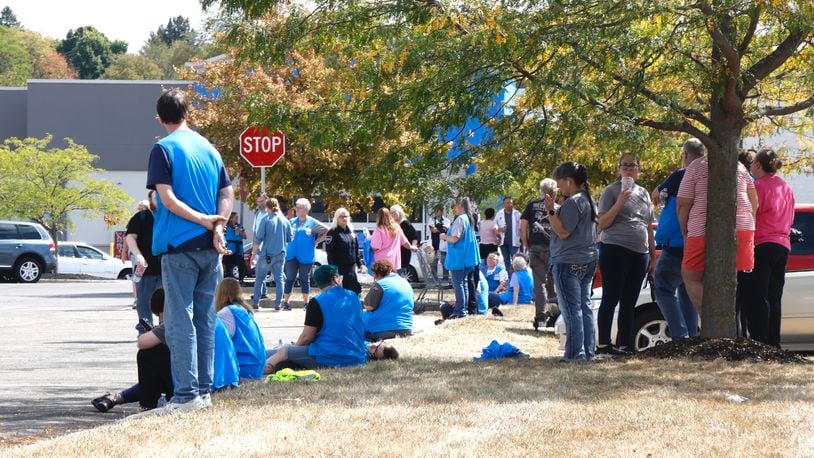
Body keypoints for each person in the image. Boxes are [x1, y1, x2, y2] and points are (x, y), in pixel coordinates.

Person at [146, 88, 233, 412]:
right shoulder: (209, 148)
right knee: (205, 319)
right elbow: (227, 191)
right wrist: (217, 225)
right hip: (210, 248)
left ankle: (185, 396)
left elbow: (165, 199)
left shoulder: (162, 149)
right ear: (188, 113)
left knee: (180, 319)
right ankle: (205, 392)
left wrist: (202, 220)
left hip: (178, 245)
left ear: (159, 117)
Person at [263, 265, 397, 374]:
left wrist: (294, 347)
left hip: (330, 354)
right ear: (335, 279)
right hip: (355, 354)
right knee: (279, 351)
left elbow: (306, 338)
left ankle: (259, 370)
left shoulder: (317, 302)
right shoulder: (352, 296)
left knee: (284, 351)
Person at [678, 149, 758, 312]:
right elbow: (754, 201)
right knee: (729, 275)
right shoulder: (739, 167)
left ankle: (710, 317)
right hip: (743, 227)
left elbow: (683, 204)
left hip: (703, 227)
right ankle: (726, 322)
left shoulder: (696, 166)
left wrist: (685, 232)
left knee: (690, 276)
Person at [596, 153, 656, 354]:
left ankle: (625, 344)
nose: (629, 169)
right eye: (625, 166)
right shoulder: (611, 191)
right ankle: (604, 345)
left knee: (630, 301)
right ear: (619, 169)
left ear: (639, 169)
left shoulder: (644, 193)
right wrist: (620, 202)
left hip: (640, 252)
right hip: (615, 248)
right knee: (610, 298)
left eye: (632, 165)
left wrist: (652, 256)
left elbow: (648, 226)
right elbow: (602, 223)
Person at [650, 139, 704, 341]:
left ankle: (680, 336)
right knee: (687, 291)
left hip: (676, 244)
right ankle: (690, 335)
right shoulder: (709, 174)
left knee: (663, 288)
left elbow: (656, 194)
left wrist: (661, 190)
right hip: (696, 243)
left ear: (685, 155)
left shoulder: (684, 174)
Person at [741, 150, 795, 347]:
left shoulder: (758, 186)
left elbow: (750, 215)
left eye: (753, 163)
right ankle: (774, 342)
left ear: (757, 166)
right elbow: (790, 217)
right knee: (774, 297)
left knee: (758, 295)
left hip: (762, 244)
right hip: (783, 245)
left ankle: (760, 342)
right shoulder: (786, 187)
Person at [546, 162, 599, 362]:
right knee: (584, 307)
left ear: (569, 182)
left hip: (568, 261)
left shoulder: (573, 202)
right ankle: (587, 351)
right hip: (588, 258)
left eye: (559, 182)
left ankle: (575, 353)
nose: (558, 187)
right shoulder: (589, 199)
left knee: (571, 309)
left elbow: (563, 231)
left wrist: (551, 211)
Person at [91, 289, 173, 412]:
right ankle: (115, 398)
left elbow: (142, 342)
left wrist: (154, 333)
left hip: (179, 386)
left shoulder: (170, 324)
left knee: (148, 353)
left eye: (158, 316)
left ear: (162, 312)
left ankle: (148, 404)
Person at [521, 178, 559, 329]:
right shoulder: (558, 207)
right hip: (553, 248)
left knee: (539, 283)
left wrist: (526, 244)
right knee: (554, 282)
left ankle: (540, 317)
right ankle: (556, 316)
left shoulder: (531, 205)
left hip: (535, 246)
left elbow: (523, 227)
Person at [125, 190, 162, 334]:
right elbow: (130, 237)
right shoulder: (141, 217)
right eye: (155, 197)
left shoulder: (170, 217)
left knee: (165, 303)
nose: (158, 199)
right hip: (145, 269)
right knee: (143, 302)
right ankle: (145, 331)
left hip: (167, 268)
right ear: (150, 199)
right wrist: (138, 255)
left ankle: (164, 332)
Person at [215, 278, 266, 379]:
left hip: (243, 367)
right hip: (257, 366)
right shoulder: (246, 310)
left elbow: (220, 344)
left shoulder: (225, 313)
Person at [283, 198, 329, 310]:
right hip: (291, 254)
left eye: (298, 208)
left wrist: (317, 241)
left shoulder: (312, 222)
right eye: (296, 207)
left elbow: (328, 230)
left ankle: (306, 303)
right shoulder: (291, 221)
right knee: (290, 278)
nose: (296, 210)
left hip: (306, 255)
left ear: (305, 209)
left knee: (304, 279)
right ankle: (286, 303)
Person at [440, 197, 481, 319]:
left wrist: (444, 236)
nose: (454, 209)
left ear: (460, 206)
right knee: (464, 284)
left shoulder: (460, 219)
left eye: (455, 206)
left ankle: (460, 311)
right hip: (466, 259)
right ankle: (463, 310)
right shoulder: (468, 219)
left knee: (459, 285)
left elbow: (455, 238)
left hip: (458, 259)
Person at [252, 198, 292, 311]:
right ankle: (278, 304)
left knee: (259, 279)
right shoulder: (285, 221)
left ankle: (256, 303)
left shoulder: (265, 220)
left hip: (266, 254)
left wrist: (253, 254)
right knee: (279, 279)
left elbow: (258, 239)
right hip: (280, 254)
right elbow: (290, 238)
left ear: (267, 207)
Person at [363, 260, 414, 340]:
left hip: (382, 329)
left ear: (377, 274)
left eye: (375, 276)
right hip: (407, 328)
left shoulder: (380, 284)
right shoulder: (405, 283)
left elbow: (369, 307)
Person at [325, 207, 364, 295]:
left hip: (351, 268)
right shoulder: (332, 232)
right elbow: (330, 253)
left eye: (346, 216)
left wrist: (360, 264)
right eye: (341, 216)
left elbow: (356, 250)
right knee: (341, 293)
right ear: (336, 218)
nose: (344, 218)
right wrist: (333, 271)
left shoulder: (351, 232)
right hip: (339, 269)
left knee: (355, 292)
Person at [371, 208, 416, 273]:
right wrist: (412, 247)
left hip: (381, 263)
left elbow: (375, 247)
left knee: (383, 281)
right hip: (394, 261)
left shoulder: (379, 230)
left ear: (378, 217)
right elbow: (405, 243)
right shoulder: (397, 228)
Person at [495, 196, 522, 273]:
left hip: (514, 242)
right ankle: (509, 276)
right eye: (508, 203)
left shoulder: (517, 214)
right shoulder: (499, 214)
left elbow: (521, 227)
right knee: (506, 260)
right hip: (503, 242)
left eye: (511, 203)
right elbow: (494, 226)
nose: (509, 204)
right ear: (504, 204)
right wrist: (500, 230)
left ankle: (516, 276)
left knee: (515, 260)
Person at [390, 205, 419, 276]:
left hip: (404, 253)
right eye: (391, 213)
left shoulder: (405, 223)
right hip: (397, 253)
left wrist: (413, 246)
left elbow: (415, 236)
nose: (393, 214)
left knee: (397, 274)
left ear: (399, 212)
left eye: (394, 212)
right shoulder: (394, 225)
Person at [252, 192, 269, 300]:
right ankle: (261, 292)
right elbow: (255, 230)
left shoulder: (271, 213)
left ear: (267, 200)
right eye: (258, 202)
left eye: (262, 201)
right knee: (259, 271)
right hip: (259, 247)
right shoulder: (258, 213)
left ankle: (285, 288)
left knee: (277, 272)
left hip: (269, 246)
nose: (260, 204)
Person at [223, 212, 247, 283]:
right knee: (228, 266)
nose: (237, 219)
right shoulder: (226, 227)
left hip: (238, 250)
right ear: (230, 219)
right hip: (229, 249)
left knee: (241, 265)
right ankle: (228, 281)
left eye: (237, 217)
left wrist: (239, 230)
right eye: (235, 217)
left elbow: (245, 236)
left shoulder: (239, 226)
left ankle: (241, 280)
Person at [428, 207, 450, 281]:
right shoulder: (431, 220)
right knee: (433, 264)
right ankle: (435, 279)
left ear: (442, 212)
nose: (437, 213)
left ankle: (445, 279)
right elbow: (433, 230)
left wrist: (438, 229)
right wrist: (440, 229)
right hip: (434, 245)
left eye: (438, 211)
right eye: (436, 211)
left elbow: (446, 229)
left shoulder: (447, 220)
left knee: (444, 264)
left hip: (443, 245)